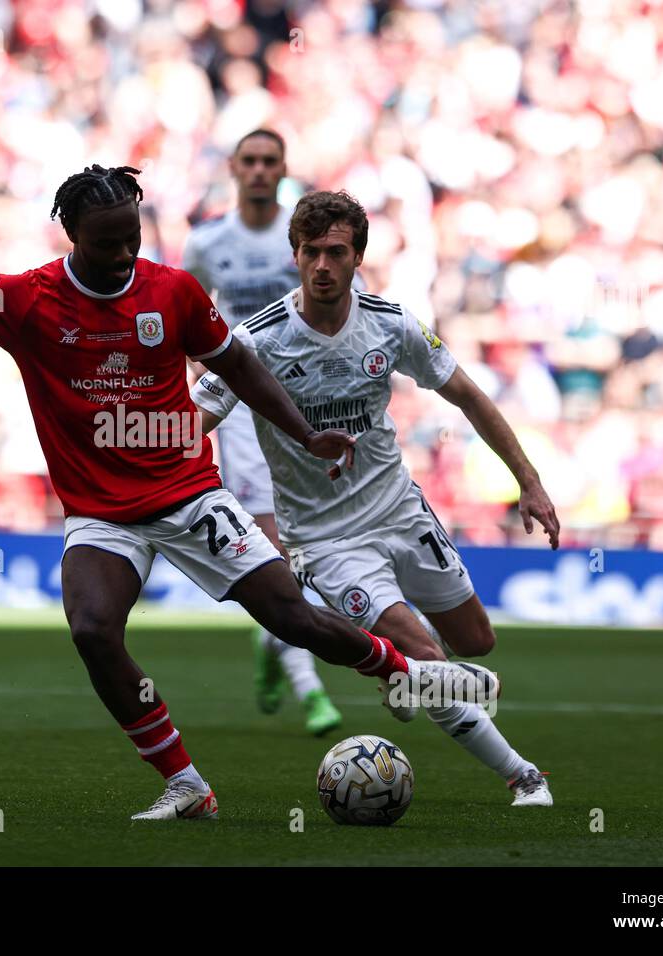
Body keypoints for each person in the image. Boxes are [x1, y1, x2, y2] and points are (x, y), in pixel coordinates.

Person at [0, 164, 499, 821]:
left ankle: (409, 674)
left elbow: (239, 367)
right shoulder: (26, 299)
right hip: (102, 512)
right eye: (107, 242)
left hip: (188, 493)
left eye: (131, 238)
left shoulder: (170, 290)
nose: (123, 255)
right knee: (90, 628)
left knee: (292, 618)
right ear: (70, 234)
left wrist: (306, 434)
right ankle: (186, 785)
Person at [191, 189, 559, 806]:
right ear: (296, 255)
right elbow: (191, 421)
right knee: (421, 652)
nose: (323, 266)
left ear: (358, 256)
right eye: (311, 252)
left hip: (399, 511)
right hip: (326, 541)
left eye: (336, 252)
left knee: (474, 643)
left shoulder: (391, 323)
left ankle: (409, 683)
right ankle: (524, 775)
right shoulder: (257, 342)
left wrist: (529, 479)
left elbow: (467, 394)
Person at [182, 128, 351, 736]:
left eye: (268, 162)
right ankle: (311, 691)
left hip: (314, 405)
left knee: (316, 545)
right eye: (248, 161)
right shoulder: (206, 244)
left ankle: (273, 642)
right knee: (276, 554)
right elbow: (187, 323)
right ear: (233, 167)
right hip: (246, 414)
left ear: (283, 168)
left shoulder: (308, 237)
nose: (258, 170)